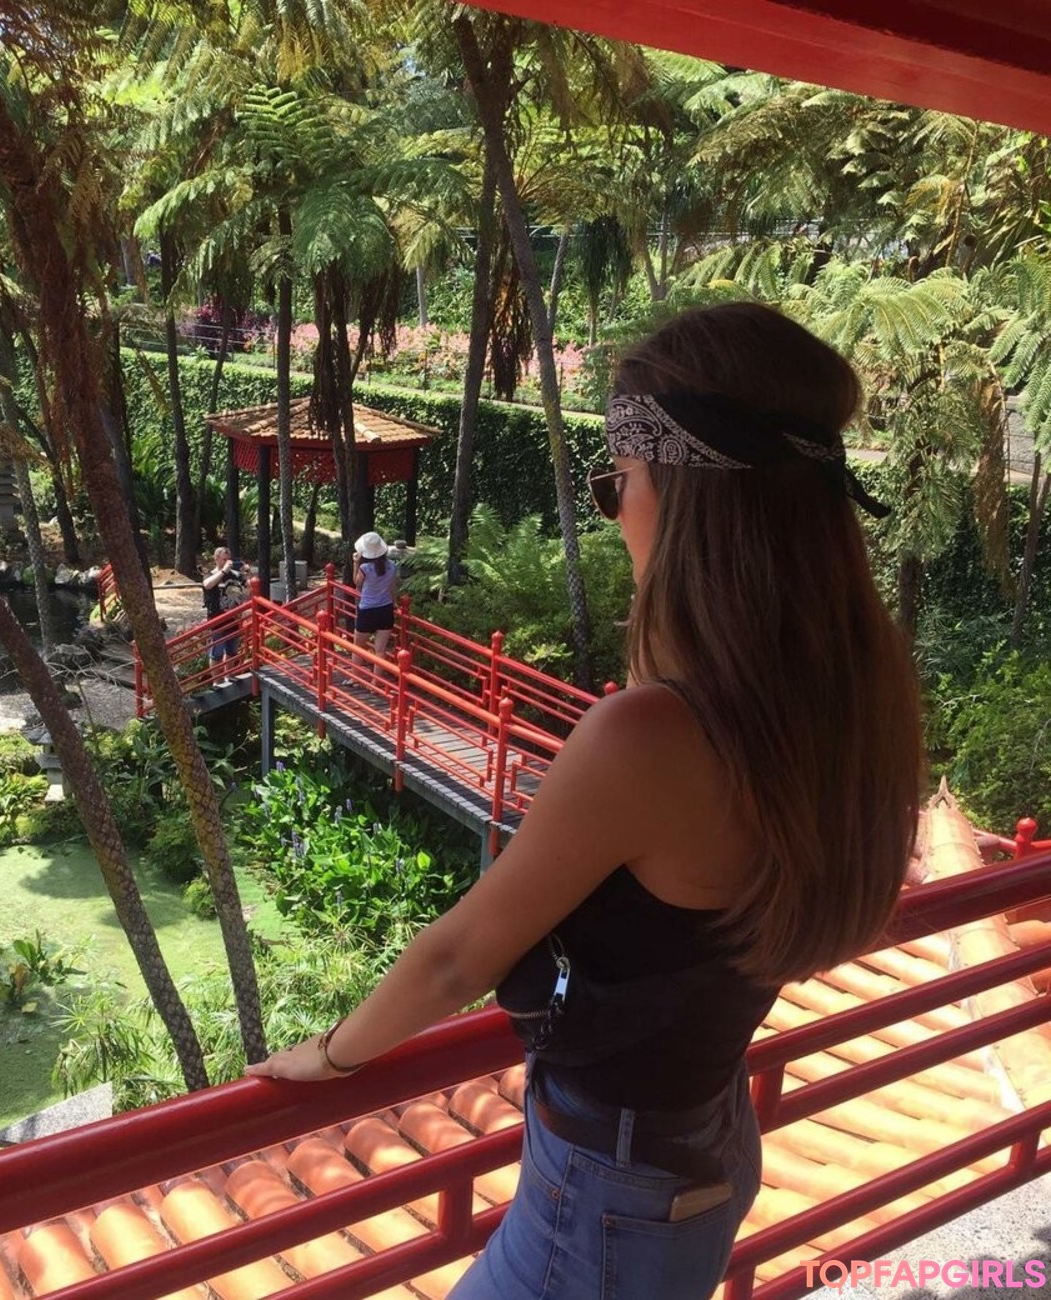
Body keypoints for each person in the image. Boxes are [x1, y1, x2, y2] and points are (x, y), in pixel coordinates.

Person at [244, 304, 923, 1300]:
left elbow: (457, 957)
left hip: (610, 1194)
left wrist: (333, 1056)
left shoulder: (651, 738)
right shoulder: (851, 701)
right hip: (701, 1140)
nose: (613, 510)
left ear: (687, 499)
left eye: (620, 481)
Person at [202, 546, 248, 686]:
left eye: (229, 559)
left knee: (232, 650)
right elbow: (207, 585)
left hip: (233, 618)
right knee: (217, 652)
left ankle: (229, 676)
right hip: (217, 619)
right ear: (216, 559)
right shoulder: (211, 574)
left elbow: (248, 590)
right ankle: (217, 681)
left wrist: (247, 573)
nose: (228, 562)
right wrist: (223, 571)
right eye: (224, 559)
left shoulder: (235, 575)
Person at [352, 531, 398, 664]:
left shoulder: (365, 568)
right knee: (380, 650)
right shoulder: (392, 566)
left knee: (358, 648)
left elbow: (357, 583)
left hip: (367, 610)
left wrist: (356, 563)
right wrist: (394, 603)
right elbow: (392, 587)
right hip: (386, 609)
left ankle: (355, 675)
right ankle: (376, 677)